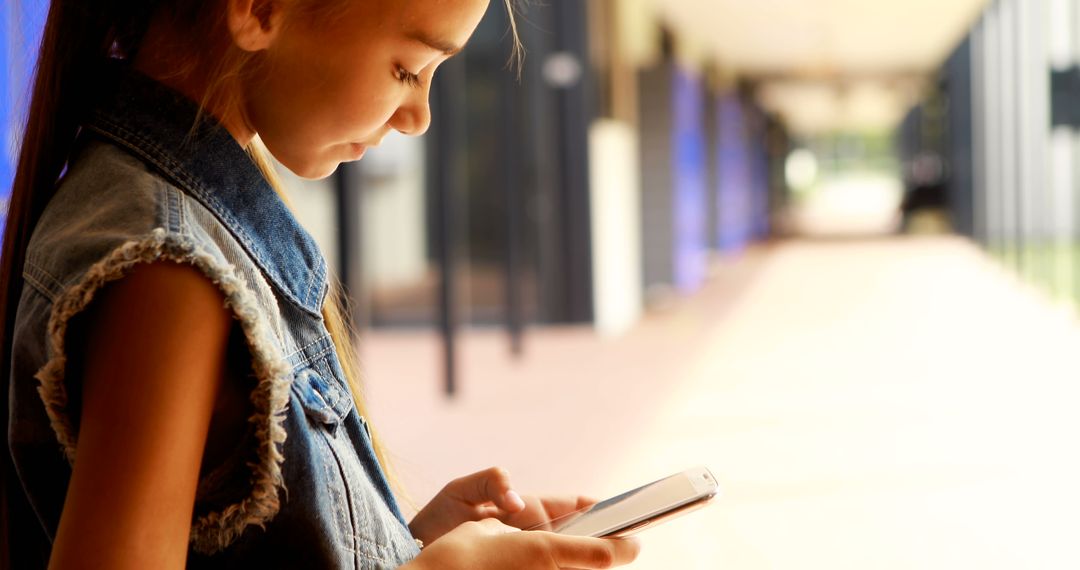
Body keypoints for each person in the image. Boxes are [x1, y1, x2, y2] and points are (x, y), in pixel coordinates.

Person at [0, 1, 642, 568]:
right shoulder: (167, 273)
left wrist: (398, 543)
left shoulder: (180, 225)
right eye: (409, 69)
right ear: (258, 9)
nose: (419, 116)